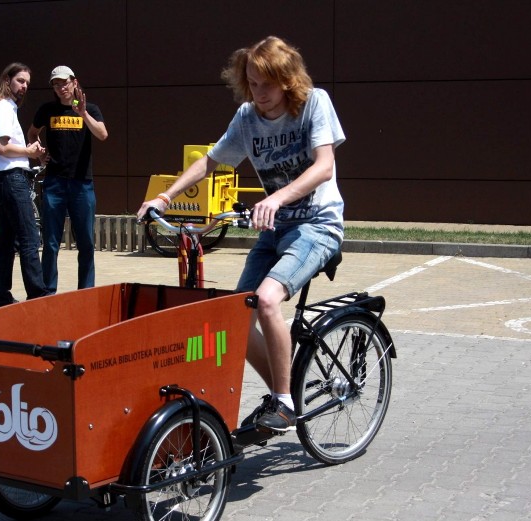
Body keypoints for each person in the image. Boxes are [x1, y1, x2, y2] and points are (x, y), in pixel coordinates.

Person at [136, 36, 346, 433]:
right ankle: (286, 397)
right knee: (235, 314)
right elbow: (211, 161)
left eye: (266, 84)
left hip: (318, 224)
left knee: (266, 300)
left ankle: (283, 403)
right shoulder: (248, 116)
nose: (258, 93)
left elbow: (324, 167)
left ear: (286, 80)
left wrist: (277, 198)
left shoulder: (313, 103)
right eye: (251, 83)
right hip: (275, 228)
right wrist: (164, 196)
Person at [28, 66, 108, 294]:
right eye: (56, 84)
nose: (61, 87)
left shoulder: (90, 109)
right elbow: (32, 132)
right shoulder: (47, 110)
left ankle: (86, 292)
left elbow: (102, 134)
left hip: (82, 183)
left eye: (64, 82)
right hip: (54, 183)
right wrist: (39, 151)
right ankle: (47, 292)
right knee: (51, 243)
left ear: (74, 82)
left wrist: (82, 113)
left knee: (86, 243)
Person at [0, 62, 50, 308]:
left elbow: (4, 148)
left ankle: (0, 297)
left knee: (8, 242)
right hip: (11, 180)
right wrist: (29, 151)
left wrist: (29, 153)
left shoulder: (3, 108)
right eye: (20, 81)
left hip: (6, 179)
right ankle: (38, 297)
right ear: (7, 79)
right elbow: (2, 147)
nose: (24, 87)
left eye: (27, 84)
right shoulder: (2, 108)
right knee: (29, 238)